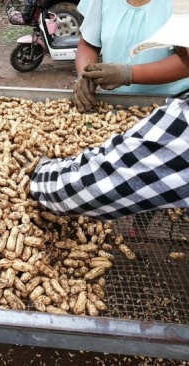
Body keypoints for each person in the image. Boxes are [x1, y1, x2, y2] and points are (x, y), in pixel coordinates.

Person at [30, 0, 189, 221]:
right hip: (116, 111)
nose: (180, 49)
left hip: (163, 107)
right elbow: (89, 42)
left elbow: (105, 179)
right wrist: (85, 75)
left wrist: (35, 174)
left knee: (145, 184)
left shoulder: (181, 125)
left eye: (182, 47)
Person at [72, 0, 189, 113]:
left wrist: (127, 74)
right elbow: (89, 43)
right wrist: (86, 74)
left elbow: (186, 61)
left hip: (173, 105)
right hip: (114, 106)